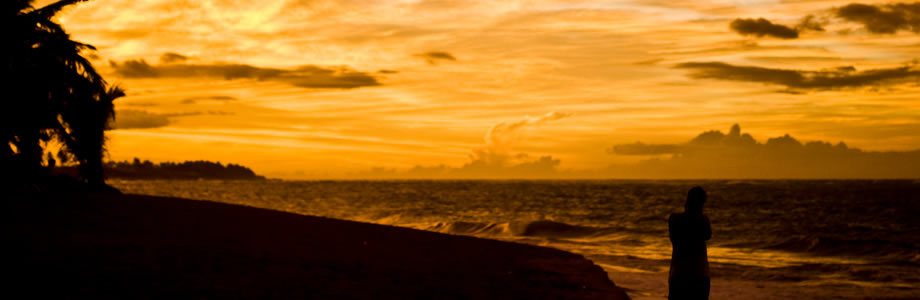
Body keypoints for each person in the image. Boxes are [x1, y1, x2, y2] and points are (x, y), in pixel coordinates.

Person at [668, 186, 711, 300]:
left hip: (678, 273)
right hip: (699, 275)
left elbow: (673, 237)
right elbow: (708, 235)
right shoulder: (703, 220)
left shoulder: (674, 219)